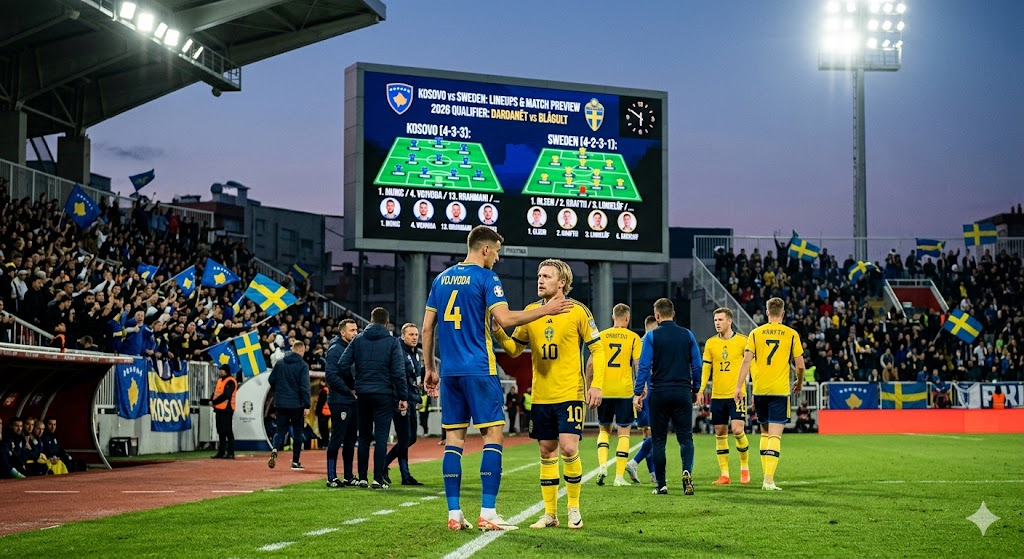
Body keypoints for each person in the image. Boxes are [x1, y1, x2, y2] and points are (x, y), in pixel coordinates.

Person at [422, 226, 572, 531]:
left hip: (450, 371)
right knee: (492, 435)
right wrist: (548, 310)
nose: (499, 258)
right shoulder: (486, 278)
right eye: (498, 251)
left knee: (453, 440)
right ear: (485, 249)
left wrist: (429, 368)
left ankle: (454, 514)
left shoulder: (440, 279)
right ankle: (488, 513)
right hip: (479, 368)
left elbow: (427, 329)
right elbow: (505, 319)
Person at [493, 259, 605, 530]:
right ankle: (550, 514)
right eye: (539, 275)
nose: (540, 280)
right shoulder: (531, 312)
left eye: (546, 276)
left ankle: (574, 508)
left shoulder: (578, 310)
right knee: (546, 452)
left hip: (569, 392)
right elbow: (516, 350)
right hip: (542, 396)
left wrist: (596, 384)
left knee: (568, 447)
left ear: (562, 282)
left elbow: (597, 349)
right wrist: (499, 334)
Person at [734, 297, 806, 491]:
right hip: (779, 390)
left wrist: (739, 386)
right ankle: (768, 480)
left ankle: (765, 478)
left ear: (767, 313)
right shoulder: (791, 334)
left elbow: (746, 362)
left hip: (759, 390)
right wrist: (799, 382)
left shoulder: (755, 333)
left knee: (764, 432)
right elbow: (800, 365)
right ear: (783, 313)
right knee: (775, 436)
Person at [633, 299, 701, 496]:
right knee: (685, 438)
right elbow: (696, 365)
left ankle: (661, 484)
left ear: (656, 315)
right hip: (682, 392)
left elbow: (644, 366)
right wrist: (695, 388)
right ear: (674, 313)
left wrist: (638, 392)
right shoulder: (687, 335)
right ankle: (686, 472)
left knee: (659, 440)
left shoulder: (652, 336)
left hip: (660, 392)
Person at [338, 307, 408, 489]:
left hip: (363, 394)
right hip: (384, 394)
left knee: (364, 437)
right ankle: (377, 478)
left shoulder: (358, 340)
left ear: (370, 319)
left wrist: (353, 385)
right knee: (381, 436)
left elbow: (342, 364)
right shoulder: (392, 342)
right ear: (386, 322)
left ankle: (362, 477)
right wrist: (403, 396)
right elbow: (399, 373)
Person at [588, 303, 642, 487]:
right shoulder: (633, 338)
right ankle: (619, 477)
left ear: (613, 317)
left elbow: (590, 365)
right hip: (624, 391)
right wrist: (641, 389)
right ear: (627, 318)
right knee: (624, 433)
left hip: (604, 390)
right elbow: (637, 364)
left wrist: (589, 387)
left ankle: (603, 466)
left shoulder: (601, 336)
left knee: (604, 430)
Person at [697, 307, 752, 485]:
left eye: (720, 320)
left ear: (729, 321)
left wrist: (746, 385)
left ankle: (744, 467)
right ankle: (725, 474)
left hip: (736, 394)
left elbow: (750, 365)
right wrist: (701, 389)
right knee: (720, 432)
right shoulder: (711, 343)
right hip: (718, 395)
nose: (717, 323)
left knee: (737, 430)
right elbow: (706, 368)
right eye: (715, 320)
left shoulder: (743, 341)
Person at [384, 323, 424, 485]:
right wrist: (403, 398)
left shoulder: (415, 353)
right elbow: (399, 377)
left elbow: (414, 378)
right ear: (402, 336)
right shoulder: (398, 351)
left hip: (411, 399)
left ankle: (384, 464)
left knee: (411, 438)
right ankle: (404, 475)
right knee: (405, 437)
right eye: (411, 335)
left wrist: (418, 397)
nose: (415, 337)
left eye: (416, 335)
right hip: (401, 400)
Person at [324, 318, 359, 487]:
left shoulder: (352, 350)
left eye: (356, 330)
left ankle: (348, 475)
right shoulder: (335, 350)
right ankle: (331, 476)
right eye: (352, 330)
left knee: (351, 439)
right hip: (340, 400)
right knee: (337, 438)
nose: (355, 333)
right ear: (342, 332)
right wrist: (349, 391)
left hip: (351, 400)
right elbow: (331, 376)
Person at [625, 315, 659, 484]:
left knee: (648, 434)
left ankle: (653, 473)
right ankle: (635, 461)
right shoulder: (654, 341)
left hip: (639, 390)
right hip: (651, 390)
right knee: (656, 433)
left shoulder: (638, 342)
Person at [267, 340, 311, 471]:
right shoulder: (303, 365)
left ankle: (275, 448)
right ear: (301, 350)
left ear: (292, 349)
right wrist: (307, 405)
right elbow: (304, 387)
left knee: (280, 430)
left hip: (281, 403)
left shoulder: (280, 363)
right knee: (297, 433)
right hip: (297, 404)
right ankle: (295, 462)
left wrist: (279, 391)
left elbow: (270, 380)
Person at [210, 364, 238, 459]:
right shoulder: (219, 381)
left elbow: (226, 395)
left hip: (227, 409)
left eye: (221, 370)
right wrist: (211, 400)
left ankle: (230, 452)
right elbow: (215, 393)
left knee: (227, 431)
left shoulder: (230, 381)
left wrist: (214, 402)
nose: (220, 372)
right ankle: (221, 452)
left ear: (226, 371)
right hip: (219, 409)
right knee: (220, 431)